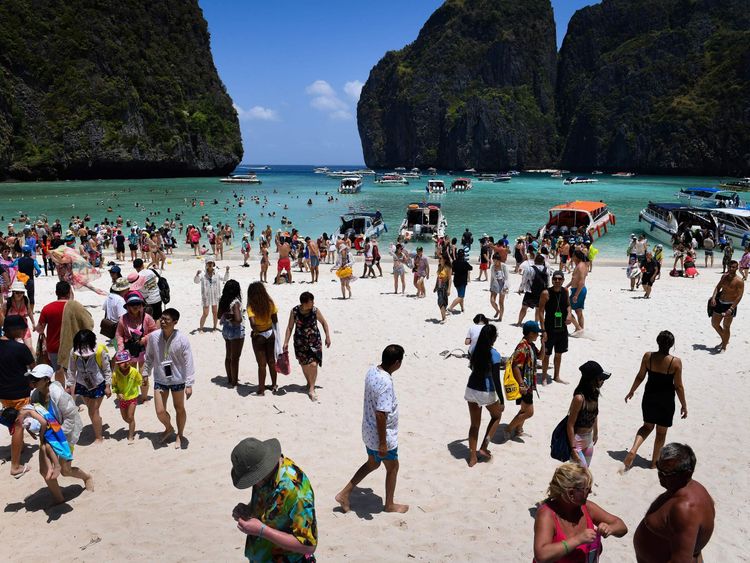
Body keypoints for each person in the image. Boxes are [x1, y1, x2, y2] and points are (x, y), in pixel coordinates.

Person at [336, 344, 408, 514]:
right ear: (397, 362)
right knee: (393, 467)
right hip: (381, 435)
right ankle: (389, 504)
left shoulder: (372, 371)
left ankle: (344, 494)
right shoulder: (386, 383)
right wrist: (383, 443)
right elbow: (381, 415)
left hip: (368, 431)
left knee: (373, 463)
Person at [231, 437, 317, 561]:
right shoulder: (264, 474)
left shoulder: (297, 492)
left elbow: (309, 546)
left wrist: (262, 531)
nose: (253, 483)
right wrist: (248, 509)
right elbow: (272, 504)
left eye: (252, 479)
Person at [633, 443, 715, 562]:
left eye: (666, 474)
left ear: (687, 474)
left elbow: (681, 560)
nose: (660, 476)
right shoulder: (693, 488)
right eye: (659, 469)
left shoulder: (685, 510)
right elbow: (693, 547)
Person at [533, 462, 628, 562]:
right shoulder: (547, 514)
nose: (590, 492)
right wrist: (577, 540)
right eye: (586, 489)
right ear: (570, 493)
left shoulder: (587, 507)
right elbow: (541, 556)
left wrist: (610, 528)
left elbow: (622, 527)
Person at [623, 330, 686, 470]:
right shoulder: (675, 362)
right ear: (671, 345)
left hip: (649, 397)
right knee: (661, 433)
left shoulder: (648, 357)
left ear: (657, 341)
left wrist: (632, 390)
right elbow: (679, 386)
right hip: (666, 400)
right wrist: (684, 405)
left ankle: (633, 449)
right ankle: (654, 463)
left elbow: (640, 376)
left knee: (646, 426)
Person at [27, 364, 93, 497]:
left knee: (65, 470)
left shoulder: (58, 394)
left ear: (46, 380)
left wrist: (58, 435)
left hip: (65, 434)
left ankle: (87, 477)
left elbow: (70, 417)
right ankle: (58, 499)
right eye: (31, 378)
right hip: (47, 435)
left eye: (36, 378)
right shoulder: (34, 395)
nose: (32, 381)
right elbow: (36, 416)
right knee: (45, 469)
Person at [143, 308, 195, 449]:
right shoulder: (153, 337)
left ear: (175, 322)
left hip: (178, 379)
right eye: (162, 318)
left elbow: (188, 361)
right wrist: (145, 373)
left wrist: (189, 384)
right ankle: (168, 427)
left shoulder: (182, 339)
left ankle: (180, 434)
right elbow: (149, 357)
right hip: (160, 379)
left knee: (179, 408)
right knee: (160, 410)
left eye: (166, 319)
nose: (163, 321)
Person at [0, 315, 35, 477]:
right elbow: (33, 368)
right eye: (22, 328)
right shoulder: (20, 348)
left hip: (3, 394)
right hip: (19, 393)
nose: (24, 331)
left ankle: (18, 447)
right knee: (18, 425)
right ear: (13, 329)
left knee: (12, 419)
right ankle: (15, 466)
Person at [464, 324, 503, 467]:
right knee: (497, 416)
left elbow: (472, 367)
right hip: (486, 390)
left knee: (474, 425)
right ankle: (484, 447)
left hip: (471, 388)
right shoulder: (495, 354)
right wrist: (502, 399)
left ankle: (472, 457)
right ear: (493, 338)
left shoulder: (473, 349)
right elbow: (496, 379)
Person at [282, 292, 331, 402]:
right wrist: (286, 342)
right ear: (304, 303)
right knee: (304, 365)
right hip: (300, 342)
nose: (313, 303)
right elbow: (289, 327)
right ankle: (309, 383)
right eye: (311, 301)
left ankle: (312, 389)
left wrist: (327, 336)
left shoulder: (315, 310)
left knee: (313, 364)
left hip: (315, 342)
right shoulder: (294, 311)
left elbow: (324, 323)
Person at [65, 329, 112, 443]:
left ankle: (98, 437)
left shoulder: (100, 352)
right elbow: (71, 370)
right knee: (93, 410)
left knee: (92, 410)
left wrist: (107, 386)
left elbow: (107, 369)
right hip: (82, 384)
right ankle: (98, 422)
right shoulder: (74, 353)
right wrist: (69, 385)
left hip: (98, 384)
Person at [566, 361, 610, 468]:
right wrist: (572, 449)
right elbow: (570, 424)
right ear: (591, 379)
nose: (603, 381)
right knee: (582, 473)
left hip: (589, 439)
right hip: (577, 441)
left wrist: (596, 432)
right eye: (600, 378)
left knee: (583, 474)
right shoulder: (579, 398)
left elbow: (595, 413)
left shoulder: (594, 393)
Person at [116, 291, 157, 401]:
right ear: (128, 306)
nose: (135, 307)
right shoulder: (123, 319)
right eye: (132, 304)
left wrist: (145, 339)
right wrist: (120, 350)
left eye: (138, 304)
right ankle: (132, 396)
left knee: (143, 375)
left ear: (141, 305)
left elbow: (154, 331)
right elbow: (119, 335)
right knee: (130, 376)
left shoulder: (147, 318)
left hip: (144, 351)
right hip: (129, 352)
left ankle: (143, 398)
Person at [506, 320, 540, 439]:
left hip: (529, 383)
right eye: (537, 333)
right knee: (529, 412)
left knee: (524, 409)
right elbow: (515, 365)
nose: (538, 334)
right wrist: (521, 384)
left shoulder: (531, 344)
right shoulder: (523, 347)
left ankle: (519, 430)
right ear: (530, 333)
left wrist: (544, 342)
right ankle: (509, 429)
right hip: (524, 383)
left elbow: (540, 356)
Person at [537, 271, 571, 385]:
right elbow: (540, 311)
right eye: (555, 279)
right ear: (552, 280)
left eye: (559, 279)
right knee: (546, 354)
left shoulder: (565, 291)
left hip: (562, 328)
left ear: (563, 280)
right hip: (549, 328)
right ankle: (545, 377)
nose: (557, 281)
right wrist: (543, 330)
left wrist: (569, 314)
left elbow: (568, 305)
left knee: (559, 354)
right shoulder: (546, 293)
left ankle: (556, 376)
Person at [247, 281, 279, 395]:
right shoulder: (270, 303)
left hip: (259, 335)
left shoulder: (251, 306)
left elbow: (253, 324)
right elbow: (275, 319)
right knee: (271, 361)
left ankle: (261, 390)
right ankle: (274, 385)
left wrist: (255, 331)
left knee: (261, 364)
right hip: (270, 333)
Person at [709, 259, 743, 352]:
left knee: (726, 326)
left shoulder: (739, 281)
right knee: (714, 324)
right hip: (720, 302)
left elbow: (739, 296)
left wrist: (731, 308)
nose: (731, 268)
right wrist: (713, 297)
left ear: (737, 268)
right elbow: (718, 287)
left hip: (730, 305)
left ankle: (724, 346)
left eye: (733, 267)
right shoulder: (724, 277)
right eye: (729, 266)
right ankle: (725, 339)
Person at [36, 280, 71, 372]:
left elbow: (40, 329)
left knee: (58, 373)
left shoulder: (47, 308)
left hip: (53, 347)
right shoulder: (75, 307)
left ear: (56, 293)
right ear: (69, 293)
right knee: (71, 374)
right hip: (71, 346)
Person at [218, 279, 245, 388]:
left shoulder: (223, 300)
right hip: (236, 330)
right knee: (235, 358)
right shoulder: (235, 302)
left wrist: (227, 318)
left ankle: (229, 378)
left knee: (228, 356)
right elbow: (238, 319)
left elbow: (219, 316)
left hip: (226, 330)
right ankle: (234, 382)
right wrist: (233, 319)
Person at [111, 350, 142, 443]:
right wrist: (117, 393)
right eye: (122, 362)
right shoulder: (115, 374)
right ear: (118, 364)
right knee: (125, 418)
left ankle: (131, 435)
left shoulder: (134, 371)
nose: (125, 364)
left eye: (127, 361)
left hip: (132, 397)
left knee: (130, 416)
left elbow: (140, 381)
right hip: (122, 399)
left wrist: (143, 382)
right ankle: (131, 425)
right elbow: (114, 385)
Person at [194, 261, 229, 331]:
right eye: (208, 263)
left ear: (213, 264)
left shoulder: (217, 273)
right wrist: (197, 274)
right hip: (206, 297)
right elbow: (196, 281)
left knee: (215, 313)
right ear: (206, 264)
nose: (210, 264)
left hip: (215, 296)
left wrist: (227, 271)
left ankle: (214, 328)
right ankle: (201, 328)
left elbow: (225, 279)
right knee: (205, 313)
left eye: (211, 263)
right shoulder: (203, 273)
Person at [517, 254, 548, 326]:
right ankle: (536, 323)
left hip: (530, 291)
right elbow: (547, 281)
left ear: (535, 261)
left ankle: (519, 322)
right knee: (538, 309)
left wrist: (521, 289)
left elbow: (524, 280)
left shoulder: (530, 269)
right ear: (543, 261)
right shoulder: (546, 269)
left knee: (524, 307)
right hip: (541, 292)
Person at [4, 281, 35, 352]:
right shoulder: (7, 302)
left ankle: (33, 362)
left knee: (29, 347)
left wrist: (33, 323)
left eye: (22, 292)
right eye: (17, 292)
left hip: (23, 326)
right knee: (11, 349)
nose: (20, 294)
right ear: (13, 292)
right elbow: (2, 315)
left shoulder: (26, 300)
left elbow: (29, 311)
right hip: (11, 329)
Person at [566, 251, 587, 333]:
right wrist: (567, 286)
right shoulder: (580, 265)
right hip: (578, 290)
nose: (572, 257)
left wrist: (576, 295)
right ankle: (580, 329)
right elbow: (574, 279)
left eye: (573, 256)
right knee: (578, 310)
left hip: (578, 290)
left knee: (566, 308)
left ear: (576, 257)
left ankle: (578, 328)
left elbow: (581, 282)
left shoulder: (580, 266)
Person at [448, 249, 472, 313]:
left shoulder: (454, 262)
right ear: (463, 255)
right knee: (461, 296)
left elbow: (452, 270)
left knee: (460, 295)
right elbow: (471, 268)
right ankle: (450, 307)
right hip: (462, 282)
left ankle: (462, 308)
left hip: (456, 281)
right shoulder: (465, 263)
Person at [488, 253, 509, 321]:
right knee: (492, 301)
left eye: (496, 261)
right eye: (493, 260)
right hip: (495, 284)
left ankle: (500, 317)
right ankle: (497, 310)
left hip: (503, 285)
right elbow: (492, 277)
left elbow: (507, 278)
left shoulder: (504, 266)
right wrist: (490, 286)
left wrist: (506, 287)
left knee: (501, 302)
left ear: (499, 260)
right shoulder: (493, 266)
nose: (494, 262)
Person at [433, 254, 452, 323]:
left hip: (444, 286)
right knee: (440, 301)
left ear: (445, 259)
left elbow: (450, 279)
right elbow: (438, 277)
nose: (439, 259)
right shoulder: (439, 266)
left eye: (441, 258)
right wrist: (435, 287)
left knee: (443, 302)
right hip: (439, 286)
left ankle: (444, 317)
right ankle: (444, 317)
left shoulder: (448, 268)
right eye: (439, 258)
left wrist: (449, 289)